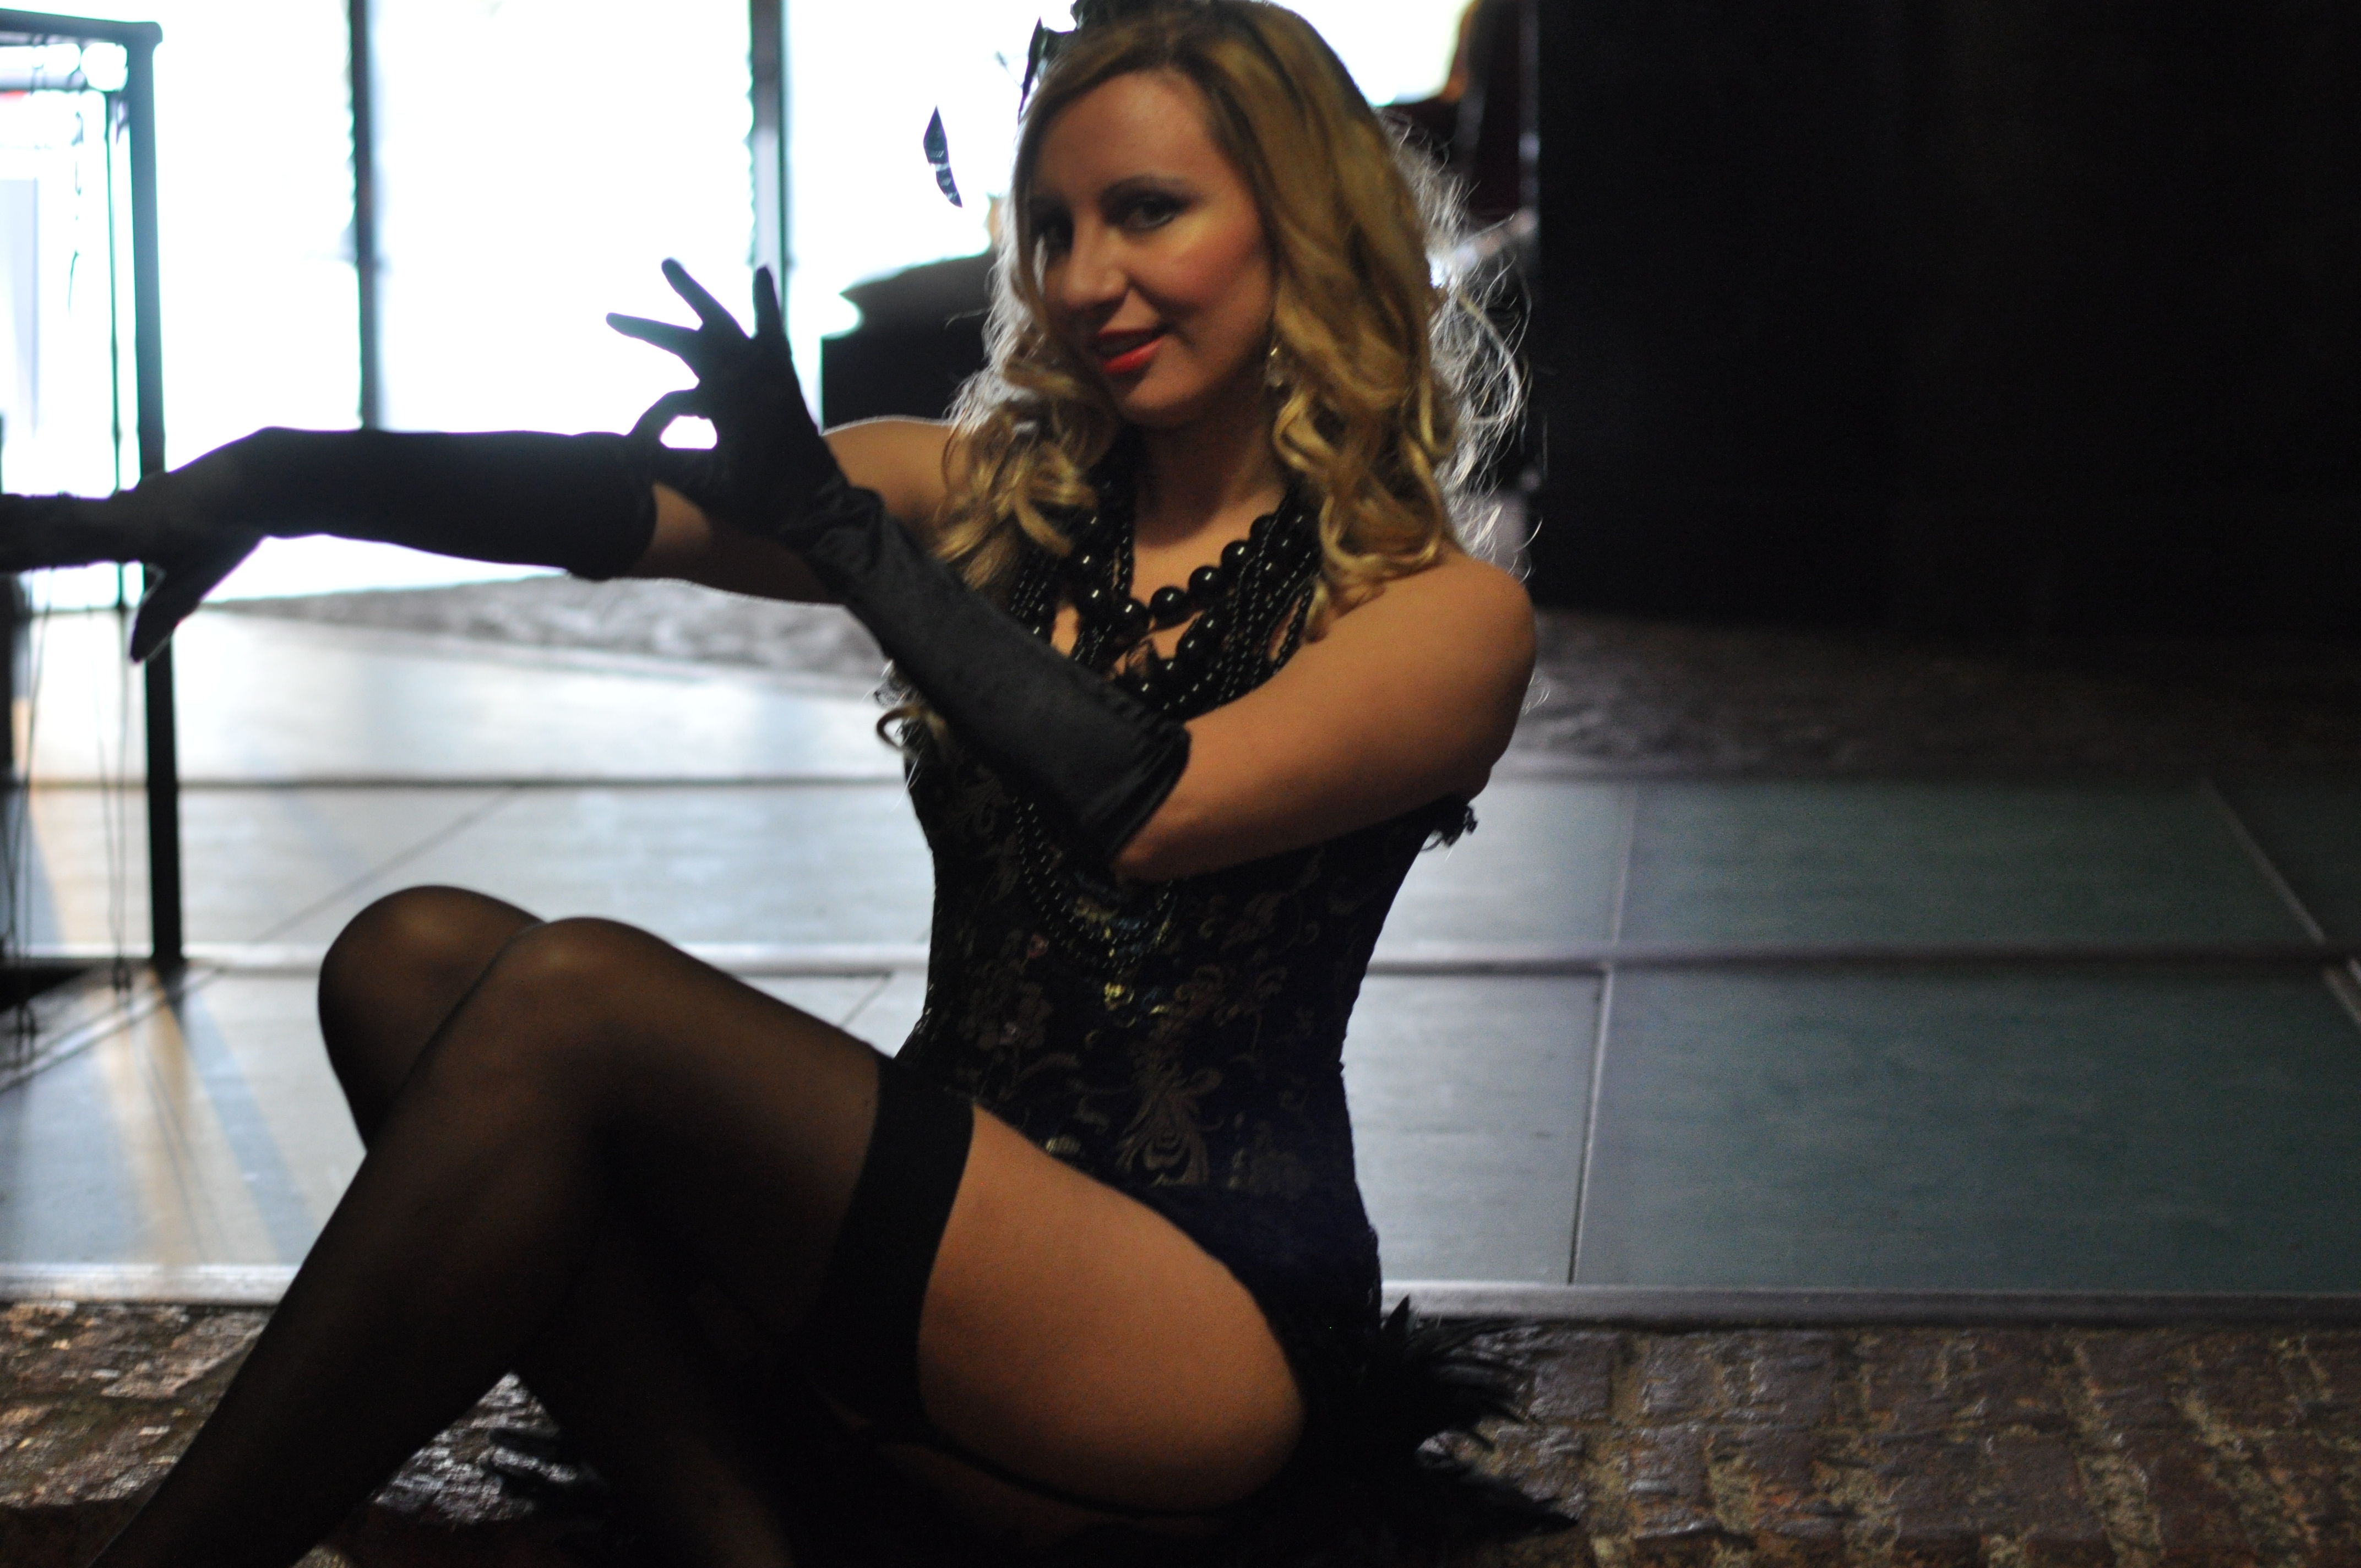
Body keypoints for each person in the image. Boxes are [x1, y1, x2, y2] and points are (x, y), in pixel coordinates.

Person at [2, 2, 1558, 1562]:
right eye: (1051, 228)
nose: (1084, 278)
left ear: (1301, 222)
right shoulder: (998, 497)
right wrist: (280, 474)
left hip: (1189, 1327)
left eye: (1147, 212)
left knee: (580, 996)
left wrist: (847, 538)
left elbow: (1155, 808)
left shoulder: (1441, 615)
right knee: (408, 960)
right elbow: (621, 509)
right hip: (918, 1255)